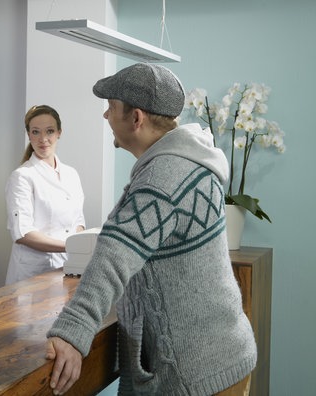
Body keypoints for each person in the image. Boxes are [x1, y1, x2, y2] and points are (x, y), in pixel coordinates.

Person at [44, 63, 256, 395]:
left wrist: (73, 328)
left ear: (136, 118)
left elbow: (114, 255)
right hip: (224, 357)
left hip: (199, 376)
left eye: (111, 107)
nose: (105, 116)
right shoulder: (191, 162)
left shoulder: (163, 177)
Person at [4, 105, 86, 285]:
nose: (43, 139)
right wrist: (71, 247)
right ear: (28, 135)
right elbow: (23, 233)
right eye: (35, 132)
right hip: (33, 273)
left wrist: (77, 249)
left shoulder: (71, 174)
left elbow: (78, 222)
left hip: (68, 267)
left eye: (49, 131)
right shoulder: (22, 176)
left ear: (59, 133)